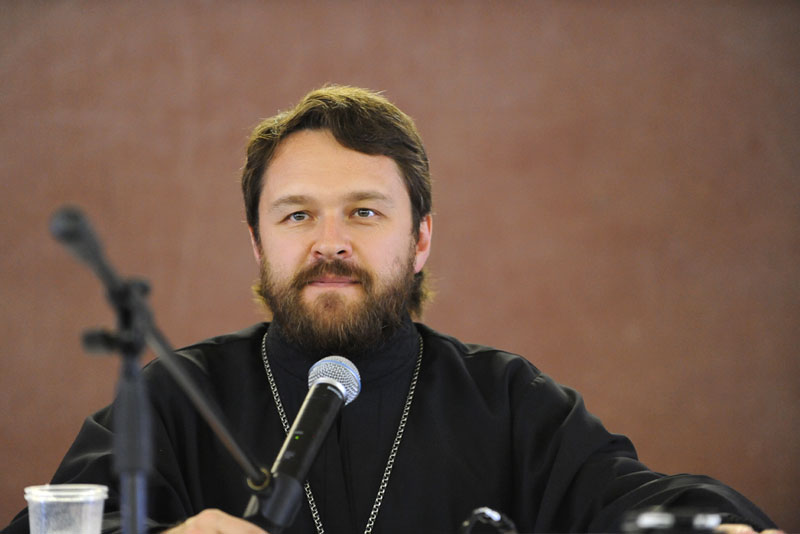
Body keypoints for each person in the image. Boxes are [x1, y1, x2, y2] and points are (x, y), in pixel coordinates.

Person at [4, 86, 781, 534]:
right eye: (297, 215)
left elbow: (634, 500)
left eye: (365, 213)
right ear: (257, 243)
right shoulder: (173, 399)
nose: (330, 243)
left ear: (421, 240)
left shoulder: (508, 402)